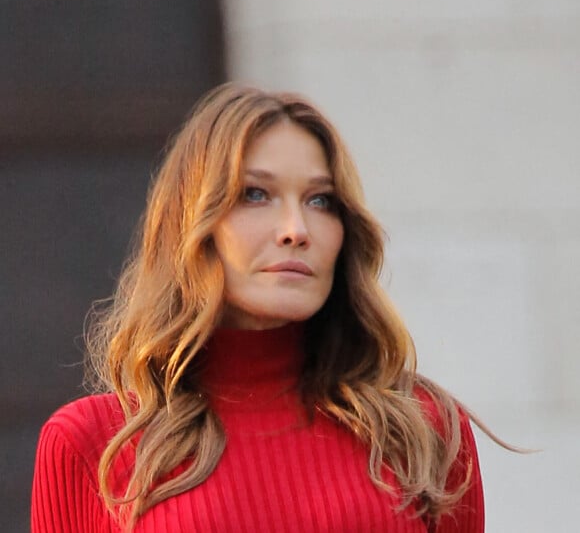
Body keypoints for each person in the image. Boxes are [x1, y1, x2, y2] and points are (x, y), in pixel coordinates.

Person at [31, 82, 499, 532]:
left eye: (320, 200)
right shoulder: (92, 443)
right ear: (194, 223)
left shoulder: (422, 429)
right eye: (256, 194)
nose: (296, 229)